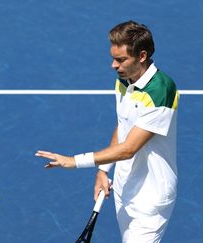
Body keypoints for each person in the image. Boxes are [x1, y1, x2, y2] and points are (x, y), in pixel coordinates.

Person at [36, 20, 179, 243]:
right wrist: (103, 170)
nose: (114, 65)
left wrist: (73, 161)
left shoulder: (160, 91)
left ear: (141, 56)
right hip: (124, 186)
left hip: (151, 197)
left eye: (121, 60)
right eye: (113, 58)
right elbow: (124, 124)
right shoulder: (125, 78)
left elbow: (129, 149)